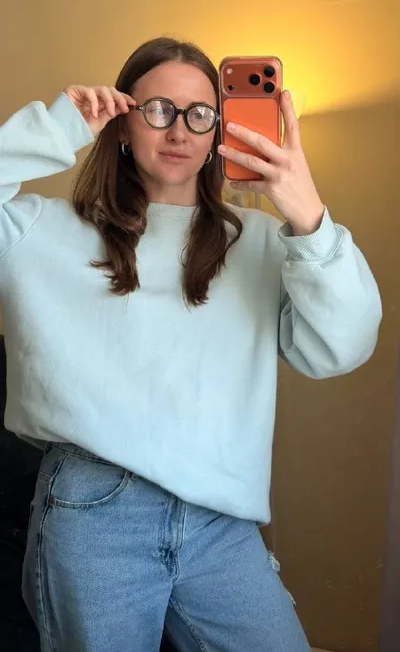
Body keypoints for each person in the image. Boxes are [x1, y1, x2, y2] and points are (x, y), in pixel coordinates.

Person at [0, 37, 381, 652]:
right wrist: (56, 127)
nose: (179, 130)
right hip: (95, 514)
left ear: (217, 131)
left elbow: (344, 345)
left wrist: (308, 215)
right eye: (157, 109)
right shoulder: (41, 229)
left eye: (200, 114)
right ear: (123, 123)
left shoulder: (263, 241)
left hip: (219, 521)